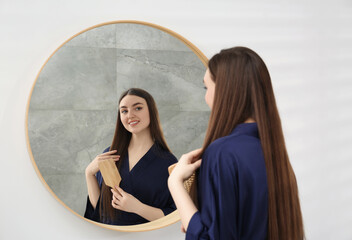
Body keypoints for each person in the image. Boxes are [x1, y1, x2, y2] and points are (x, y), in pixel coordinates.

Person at [168, 47, 304, 239]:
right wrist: (195, 220)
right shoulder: (273, 153)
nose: (206, 97)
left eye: (207, 88)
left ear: (226, 90)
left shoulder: (222, 152)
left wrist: (174, 183)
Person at [84, 88, 177, 225]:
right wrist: (89, 174)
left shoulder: (168, 162)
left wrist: (138, 208)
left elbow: (174, 215)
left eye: (138, 108)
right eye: (124, 111)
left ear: (151, 111)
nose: (130, 115)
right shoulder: (110, 155)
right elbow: (100, 212)